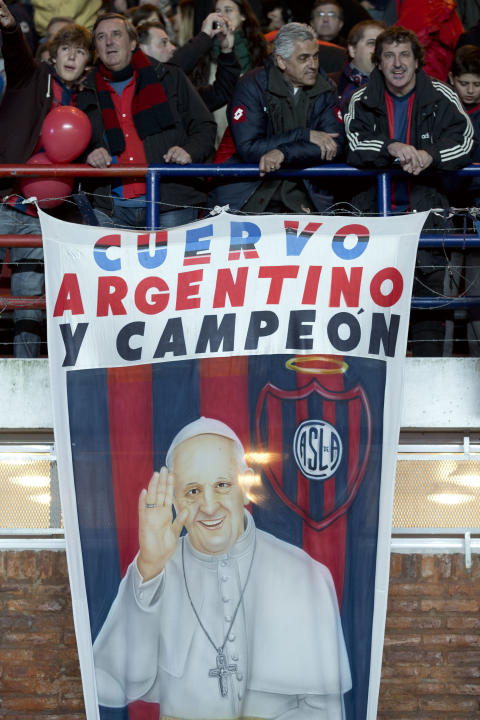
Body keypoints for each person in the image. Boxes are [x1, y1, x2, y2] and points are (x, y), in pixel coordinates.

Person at [93, 417, 352, 718]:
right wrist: (150, 567)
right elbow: (112, 684)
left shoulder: (303, 575)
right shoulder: (157, 570)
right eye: (192, 491)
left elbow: (325, 711)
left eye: (222, 485)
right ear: (174, 499)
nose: (210, 505)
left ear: (245, 487)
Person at [344, 26, 474, 356]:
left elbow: (466, 141)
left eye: (405, 55)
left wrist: (431, 155)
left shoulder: (441, 95)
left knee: (427, 301)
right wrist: (392, 147)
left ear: (418, 61)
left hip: (426, 214)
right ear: (378, 63)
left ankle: (428, 384)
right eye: (388, 56)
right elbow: (355, 143)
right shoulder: (361, 98)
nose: (397, 63)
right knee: (369, 303)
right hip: (374, 214)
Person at [0, 1, 91, 357]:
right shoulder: (33, 77)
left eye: (80, 51)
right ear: (53, 54)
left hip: (40, 214)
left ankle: (25, 369)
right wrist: (9, 29)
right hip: (4, 197)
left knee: (29, 298)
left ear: (88, 61)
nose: (72, 56)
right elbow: (17, 55)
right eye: (65, 48)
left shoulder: (88, 98)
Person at [76, 12, 216, 229]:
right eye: (101, 37)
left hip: (170, 202)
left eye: (116, 34)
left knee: (173, 264)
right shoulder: (85, 90)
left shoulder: (169, 77)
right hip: (112, 208)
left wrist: (189, 151)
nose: (109, 42)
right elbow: (76, 144)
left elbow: (204, 126)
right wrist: (89, 154)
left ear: (133, 42)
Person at [211, 22, 345, 214]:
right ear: (281, 61)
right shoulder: (252, 85)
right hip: (249, 192)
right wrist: (304, 135)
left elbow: (334, 145)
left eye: (315, 56)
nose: (313, 65)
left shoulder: (326, 88)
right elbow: (249, 148)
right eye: (303, 58)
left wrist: (284, 153)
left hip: (305, 194)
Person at [448, 45, 480, 356]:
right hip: (445, 207)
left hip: (476, 211)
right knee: (443, 289)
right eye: (464, 83)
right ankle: (438, 360)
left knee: (476, 290)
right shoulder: (440, 110)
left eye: (477, 84)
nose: (470, 91)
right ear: (451, 79)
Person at [138, 18, 241, 112]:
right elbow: (167, 72)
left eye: (170, 42)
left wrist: (227, 51)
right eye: (164, 42)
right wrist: (204, 36)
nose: (173, 47)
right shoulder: (141, 87)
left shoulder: (180, 90)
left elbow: (221, 92)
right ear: (143, 50)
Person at [332, 19, 385, 115]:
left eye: (383, 44)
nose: (379, 50)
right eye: (371, 43)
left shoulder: (397, 87)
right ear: (352, 49)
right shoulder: (330, 84)